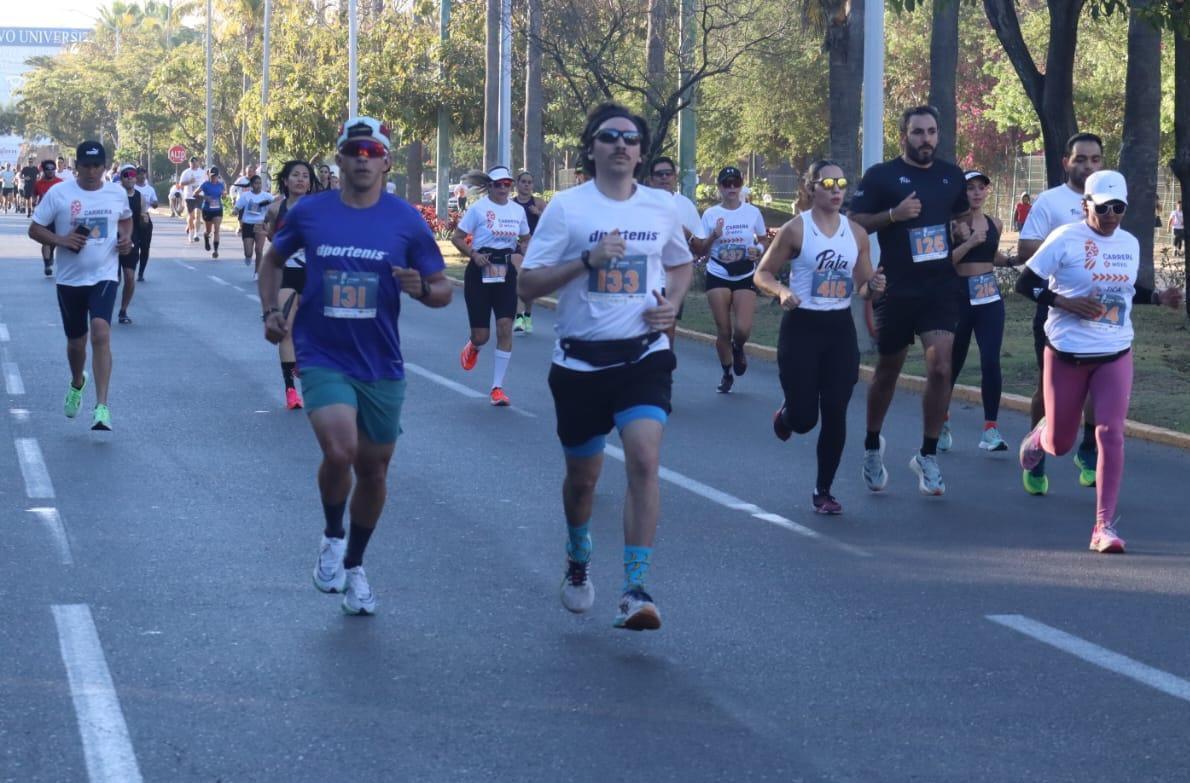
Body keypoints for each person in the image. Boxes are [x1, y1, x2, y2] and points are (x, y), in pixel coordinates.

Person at [259, 117, 451, 615]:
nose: (362, 158)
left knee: (375, 470)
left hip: (380, 361)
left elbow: (443, 289)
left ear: (386, 161)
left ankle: (356, 565)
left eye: (372, 151)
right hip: (322, 353)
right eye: (353, 150)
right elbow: (272, 262)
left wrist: (423, 289)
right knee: (341, 450)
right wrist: (271, 312)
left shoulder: (406, 220)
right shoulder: (312, 213)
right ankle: (331, 534)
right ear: (339, 160)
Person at [518, 102, 693, 630]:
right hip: (578, 363)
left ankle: (635, 589)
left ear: (640, 153)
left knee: (643, 458)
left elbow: (681, 263)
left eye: (631, 138)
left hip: (643, 354)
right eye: (610, 136)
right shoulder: (568, 209)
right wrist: (586, 262)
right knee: (584, 480)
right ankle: (578, 556)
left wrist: (672, 305)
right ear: (591, 147)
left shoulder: (661, 208)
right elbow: (527, 284)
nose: (622, 144)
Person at [1016, 170, 1183, 553]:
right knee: (1061, 443)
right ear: (1085, 205)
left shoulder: (1128, 242)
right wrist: (1064, 302)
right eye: (1103, 207)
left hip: (1115, 352)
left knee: (1110, 433)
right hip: (1067, 352)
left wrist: (1158, 298)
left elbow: (1125, 291)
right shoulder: (1065, 238)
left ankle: (1103, 527)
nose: (1110, 215)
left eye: (1118, 208)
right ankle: (1041, 436)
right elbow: (1027, 283)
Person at [849, 105, 970, 496]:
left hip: (939, 288)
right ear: (903, 135)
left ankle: (928, 454)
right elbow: (855, 221)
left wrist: (962, 228)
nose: (926, 140)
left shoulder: (951, 175)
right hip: (897, 287)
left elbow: (961, 214)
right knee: (888, 371)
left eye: (932, 132)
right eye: (918, 132)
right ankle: (872, 444)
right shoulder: (882, 176)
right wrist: (893, 214)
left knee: (940, 369)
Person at [754, 160, 884, 515]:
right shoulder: (796, 230)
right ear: (811, 187)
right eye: (827, 182)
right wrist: (780, 290)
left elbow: (863, 287)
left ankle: (823, 490)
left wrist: (874, 286)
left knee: (836, 410)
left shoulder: (856, 233)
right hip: (801, 329)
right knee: (805, 418)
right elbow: (762, 274)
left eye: (841, 182)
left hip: (839, 330)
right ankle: (787, 417)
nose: (836, 188)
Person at [1015, 133, 1105, 495]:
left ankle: (1087, 448)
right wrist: (1065, 247)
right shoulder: (1050, 202)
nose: (1087, 165)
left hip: (1099, 312)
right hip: (1055, 308)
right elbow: (1024, 250)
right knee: (1048, 391)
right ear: (1066, 161)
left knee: (1097, 387)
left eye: (1095, 159)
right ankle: (1036, 457)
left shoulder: (1108, 201)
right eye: (1080, 159)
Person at [28, 140, 132, 432]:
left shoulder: (115, 193)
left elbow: (125, 220)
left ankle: (102, 407)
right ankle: (77, 382)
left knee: (101, 332)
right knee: (77, 343)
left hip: (105, 275)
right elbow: (34, 228)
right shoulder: (59, 193)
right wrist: (62, 240)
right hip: (70, 280)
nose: (91, 171)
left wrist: (125, 240)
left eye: (97, 165)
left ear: (103, 165)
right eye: (85, 166)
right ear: (76, 166)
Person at [941, 170, 1013, 453]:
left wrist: (1013, 260)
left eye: (981, 187)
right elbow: (944, 261)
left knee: (991, 360)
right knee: (953, 362)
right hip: (958, 295)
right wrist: (969, 242)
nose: (976, 193)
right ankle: (942, 422)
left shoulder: (995, 222)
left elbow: (992, 255)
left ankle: (990, 429)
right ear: (962, 192)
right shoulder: (951, 224)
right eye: (970, 188)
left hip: (989, 296)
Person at [452, 166, 531, 406]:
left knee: (505, 326)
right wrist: (473, 254)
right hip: (480, 272)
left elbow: (526, 237)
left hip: (505, 272)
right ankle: (474, 345)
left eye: (508, 184)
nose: (504, 188)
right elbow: (457, 237)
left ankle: (497, 387)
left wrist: (525, 252)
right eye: (499, 184)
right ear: (491, 186)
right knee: (482, 335)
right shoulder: (478, 209)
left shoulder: (518, 211)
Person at [701, 166, 769, 393]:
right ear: (719, 187)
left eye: (735, 183)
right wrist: (714, 235)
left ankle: (738, 347)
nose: (731, 188)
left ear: (741, 185)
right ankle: (727, 372)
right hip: (718, 272)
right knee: (723, 330)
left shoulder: (752, 212)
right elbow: (700, 248)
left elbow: (763, 239)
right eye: (726, 184)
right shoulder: (710, 214)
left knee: (742, 329)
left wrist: (758, 249)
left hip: (744, 273)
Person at [264, 160, 318, 409]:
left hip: (315, 274)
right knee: (285, 328)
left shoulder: (320, 208)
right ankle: (290, 390)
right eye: (295, 175)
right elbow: (272, 236)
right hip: (287, 272)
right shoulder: (276, 209)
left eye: (305, 176)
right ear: (285, 181)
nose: (300, 179)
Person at [647, 156, 708, 348]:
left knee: (667, 335)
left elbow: (701, 247)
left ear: (675, 177)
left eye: (668, 174)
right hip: (643, 281)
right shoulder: (639, 204)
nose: (664, 178)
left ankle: (664, 375)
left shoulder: (685, 205)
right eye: (659, 174)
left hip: (672, 281)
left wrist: (686, 233)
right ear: (650, 179)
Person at [512, 170, 545, 333]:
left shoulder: (538, 203)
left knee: (529, 285)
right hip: (516, 247)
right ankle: (519, 318)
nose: (526, 185)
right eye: (523, 182)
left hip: (534, 248)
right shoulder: (511, 204)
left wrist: (538, 214)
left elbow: (551, 223)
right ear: (517, 184)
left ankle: (528, 315)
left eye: (529, 182)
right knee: (519, 279)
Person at [115, 164, 144, 324]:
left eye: (133, 174)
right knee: (114, 280)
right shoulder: (113, 194)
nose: (130, 177)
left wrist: (145, 220)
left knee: (129, 277)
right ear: (121, 177)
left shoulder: (140, 196)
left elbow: (143, 217)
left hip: (132, 242)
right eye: (126, 175)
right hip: (112, 243)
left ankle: (123, 310)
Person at [235, 174, 273, 273]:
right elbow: (237, 207)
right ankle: (248, 257)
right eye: (256, 183)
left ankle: (257, 272)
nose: (258, 185)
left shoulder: (266, 196)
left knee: (259, 250)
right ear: (252, 184)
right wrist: (235, 210)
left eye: (260, 183)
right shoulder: (246, 196)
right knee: (248, 252)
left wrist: (269, 215)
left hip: (260, 224)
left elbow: (276, 204)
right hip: (247, 224)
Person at [33, 160, 64, 277]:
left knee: (54, 240)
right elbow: (34, 194)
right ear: (44, 170)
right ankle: (47, 264)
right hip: (44, 216)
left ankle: (50, 254)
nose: (50, 171)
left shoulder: (60, 183)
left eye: (52, 169)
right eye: (48, 169)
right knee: (45, 240)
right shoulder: (39, 183)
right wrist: (34, 203)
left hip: (58, 216)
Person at [133, 167, 158, 282]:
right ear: (136, 176)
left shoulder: (150, 189)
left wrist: (154, 203)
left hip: (145, 218)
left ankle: (141, 273)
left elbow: (155, 203)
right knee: (134, 248)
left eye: (144, 174)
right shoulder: (132, 187)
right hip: (132, 219)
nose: (142, 177)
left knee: (145, 248)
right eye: (139, 174)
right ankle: (130, 268)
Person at [196, 166, 225, 258]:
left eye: (215, 176)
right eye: (212, 176)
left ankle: (215, 250)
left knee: (216, 230)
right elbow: (195, 193)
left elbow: (224, 194)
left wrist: (224, 195)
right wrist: (205, 197)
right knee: (208, 230)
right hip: (207, 210)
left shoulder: (221, 185)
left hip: (218, 209)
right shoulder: (205, 184)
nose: (213, 178)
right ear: (209, 175)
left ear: (218, 176)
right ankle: (206, 237)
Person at [178, 157, 206, 241]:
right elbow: (181, 184)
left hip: (199, 195)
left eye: (195, 162)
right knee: (191, 216)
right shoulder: (186, 172)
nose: (193, 164)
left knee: (198, 214)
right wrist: (189, 182)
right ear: (189, 163)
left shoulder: (202, 172)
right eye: (191, 163)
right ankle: (190, 232)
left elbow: (206, 183)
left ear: (198, 163)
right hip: (189, 196)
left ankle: (196, 235)